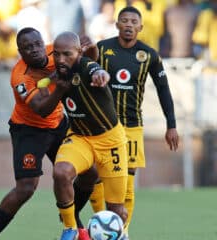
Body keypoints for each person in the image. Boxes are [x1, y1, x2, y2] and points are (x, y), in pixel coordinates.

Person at [0, 27, 97, 240]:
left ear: (44, 43)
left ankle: (71, 218)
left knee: (90, 173)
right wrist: (59, 88)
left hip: (59, 125)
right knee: (25, 188)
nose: (34, 50)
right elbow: (41, 109)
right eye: (27, 48)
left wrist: (88, 48)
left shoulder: (58, 51)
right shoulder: (19, 76)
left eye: (37, 44)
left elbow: (88, 61)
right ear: (19, 52)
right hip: (29, 130)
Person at [89, 6, 179, 236]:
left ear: (140, 27)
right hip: (103, 125)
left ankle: (122, 231)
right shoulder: (102, 49)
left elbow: (163, 89)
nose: (129, 24)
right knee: (96, 176)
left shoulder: (149, 55)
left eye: (133, 22)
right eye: (124, 20)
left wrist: (171, 125)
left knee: (128, 181)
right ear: (117, 25)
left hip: (132, 126)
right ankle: (101, 221)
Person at [36, 31, 129, 240]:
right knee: (61, 172)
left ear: (78, 53)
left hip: (110, 141)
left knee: (117, 211)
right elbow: (43, 106)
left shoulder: (87, 66)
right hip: (80, 138)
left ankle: (121, 235)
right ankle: (70, 229)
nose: (60, 59)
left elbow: (96, 67)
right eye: (56, 54)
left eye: (67, 54)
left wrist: (101, 75)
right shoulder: (59, 74)